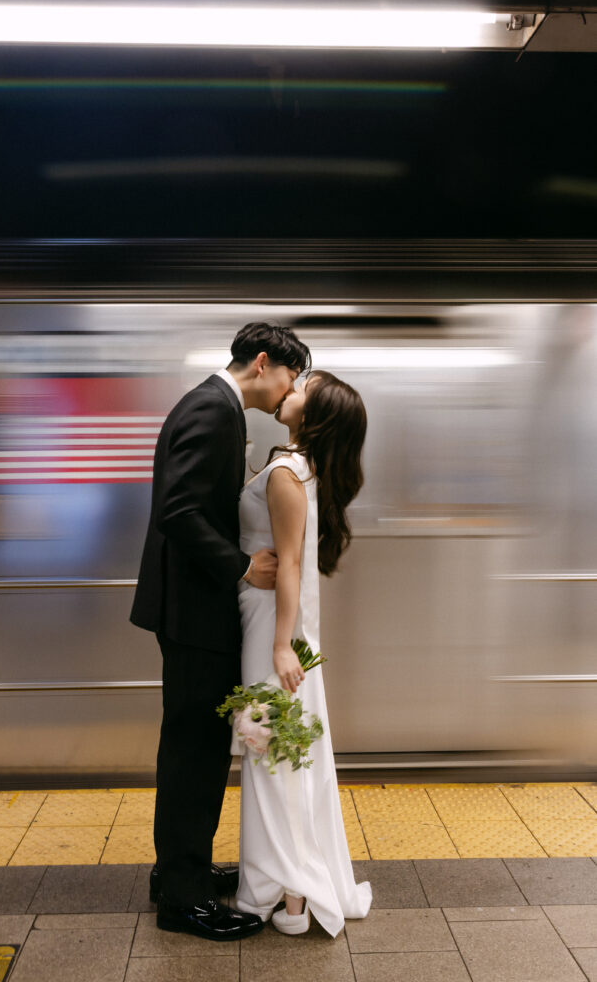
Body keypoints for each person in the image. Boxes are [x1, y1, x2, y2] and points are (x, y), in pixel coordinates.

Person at [130, 322, 311, 941]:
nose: (291, 389)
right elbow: (178, 509)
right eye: (291, 375)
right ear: (264, 363)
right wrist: (239, 566)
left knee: (195, 746)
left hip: (190, 606)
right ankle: (181, 897)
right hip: (193, 610)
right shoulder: (213, 409)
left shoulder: (212, 405)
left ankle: (180, 871)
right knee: (195, 751)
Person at [234, 370, 373, 937]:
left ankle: (291, 896)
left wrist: (281, 646)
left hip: (272, 625)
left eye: (299, 391)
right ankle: (285, 888)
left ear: (311, 417)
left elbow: (288, 563)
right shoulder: (297, 470)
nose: (287, 392)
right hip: (273, 621)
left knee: (271, 751)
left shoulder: (288, 475)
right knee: (277, 752)